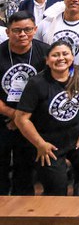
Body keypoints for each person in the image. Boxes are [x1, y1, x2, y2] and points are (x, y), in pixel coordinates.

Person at [15, 40, 79, 196]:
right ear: (47, 60)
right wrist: (40, 144)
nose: (61, 58)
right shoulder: (37, 83)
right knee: (57, 186)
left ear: (72, 57)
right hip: (49, 145)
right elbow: (21, 118)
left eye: (65, 54)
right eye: (55, 55)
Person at [0, 12, 49, 195]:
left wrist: (23, 119)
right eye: (17, 30)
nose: (22, 34)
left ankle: (21, 207)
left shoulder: (46, 52)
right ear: (7, 32)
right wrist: (15, 116)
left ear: (35, 30)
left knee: (25, 168)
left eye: (27, 29)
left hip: (34, 119)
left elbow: (54, 89)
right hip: (4, 118)